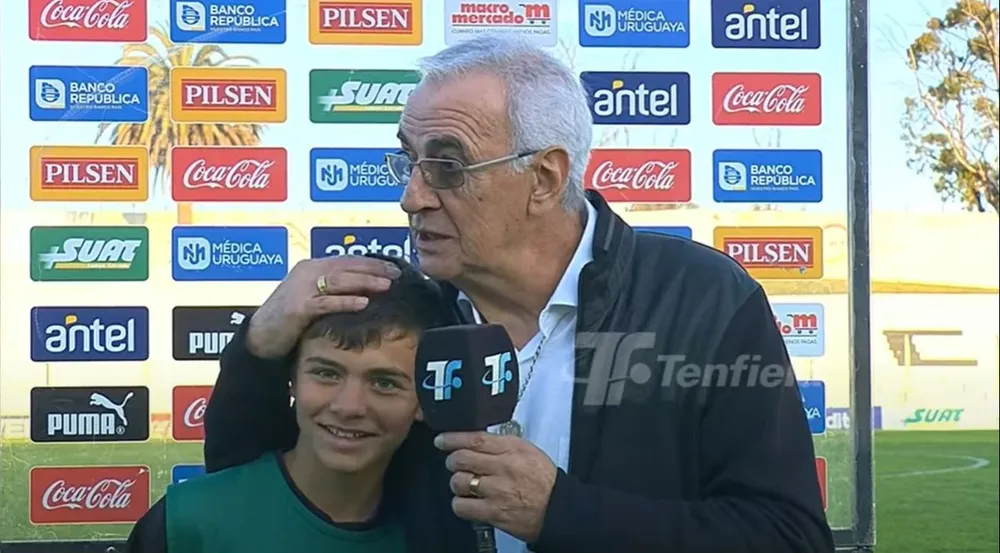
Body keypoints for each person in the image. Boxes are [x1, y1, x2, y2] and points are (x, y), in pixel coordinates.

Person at [204, 34, 836, 553]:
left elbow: (788, 537)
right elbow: (254, 489)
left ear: (543, 177)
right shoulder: (405, 307)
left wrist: (564, 514)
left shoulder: (700, 300)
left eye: (447, 165)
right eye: (409, 161)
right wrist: (260, 341)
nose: (411, 196)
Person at [124, 255, 474, 552]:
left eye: (384, 383)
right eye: (326, 373)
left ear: (424, 401)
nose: (349, 406)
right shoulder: (187, 523)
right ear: (292, 376)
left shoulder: (451, 534)